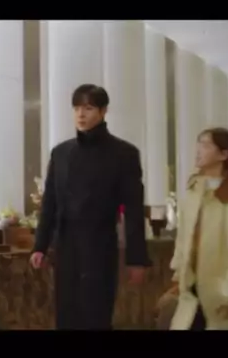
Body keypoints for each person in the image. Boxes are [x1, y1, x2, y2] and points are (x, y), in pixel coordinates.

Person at [30, 84, 150, 330]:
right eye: (76, 108)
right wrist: (40, 245)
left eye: (88, 108)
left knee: (95, 315)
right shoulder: (61, 153)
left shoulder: (124, 153)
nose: (81, 114)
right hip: (65, 249)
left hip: (100, 248)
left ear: (103, 111)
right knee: (66, 316)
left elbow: (134, 210)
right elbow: (50, 203)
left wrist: (137, 258)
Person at [168, 128, 228, 330]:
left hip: (222, 290)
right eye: (199, 143)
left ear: (224, 154)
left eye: (206, 145)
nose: (198, 149)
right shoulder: (195, 189)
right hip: (191, 285)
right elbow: (184, 237)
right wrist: (178, 274)